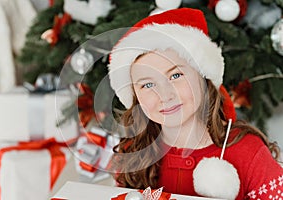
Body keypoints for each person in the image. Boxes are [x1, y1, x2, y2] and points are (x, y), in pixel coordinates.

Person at [107, 8, 283, 200]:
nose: (165, 95)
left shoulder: (248, 152)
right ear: (136, 97)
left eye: (175, 75)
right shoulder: (133, 154)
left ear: (203, 78)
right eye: (148, 84)